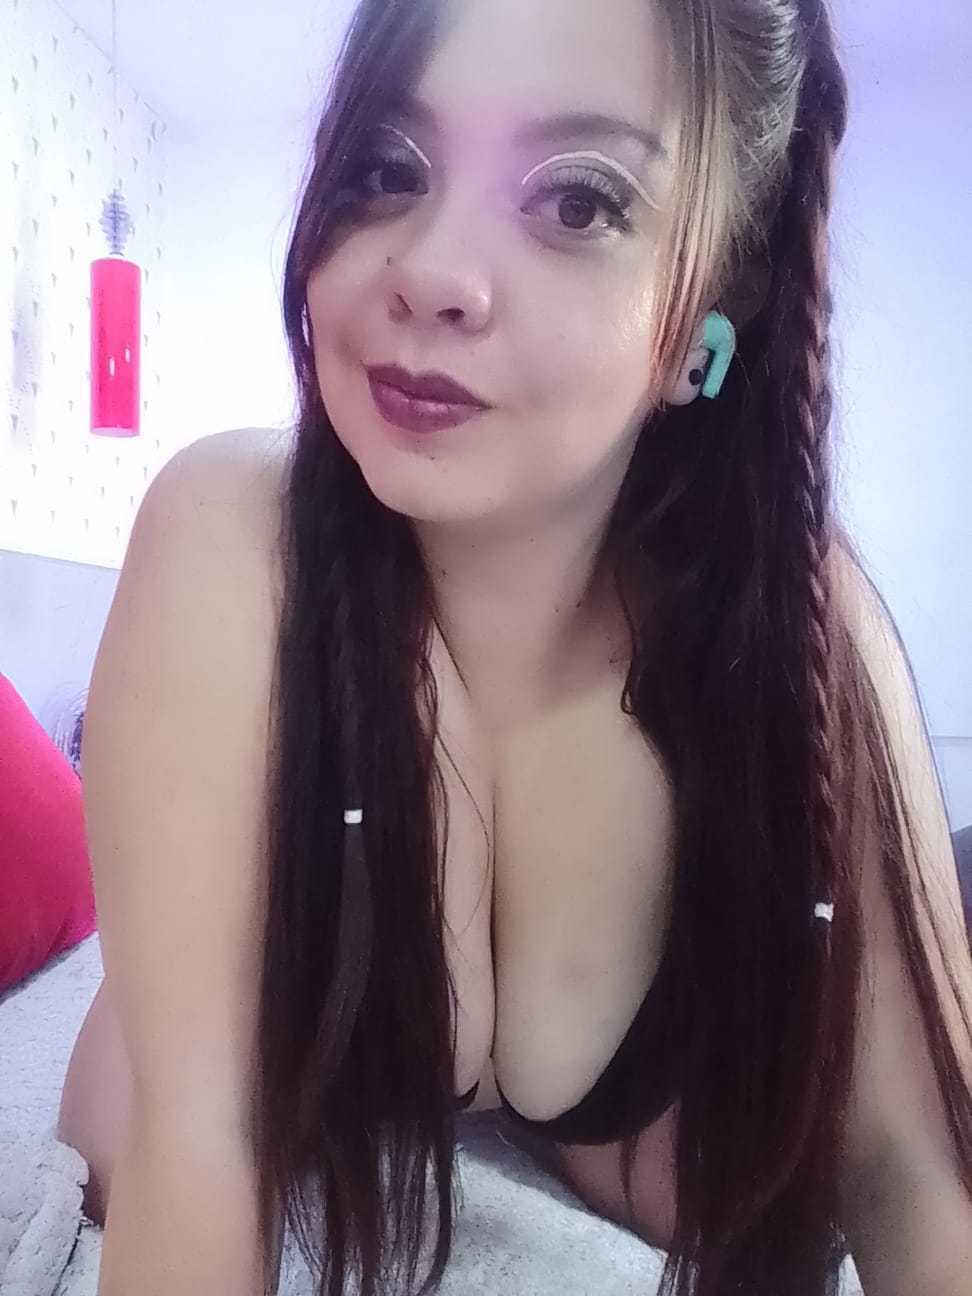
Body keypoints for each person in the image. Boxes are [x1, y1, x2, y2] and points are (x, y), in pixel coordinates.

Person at [57, 0, 972, 1294]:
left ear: (716, 302)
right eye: (390, 169)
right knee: (128, 1107)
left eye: (579, 202)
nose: (433, 269)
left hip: (625, 1103)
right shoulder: (233, 537)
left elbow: (915, 1174)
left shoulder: (796, 625)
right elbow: (196, 1141)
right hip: (195, 1079)